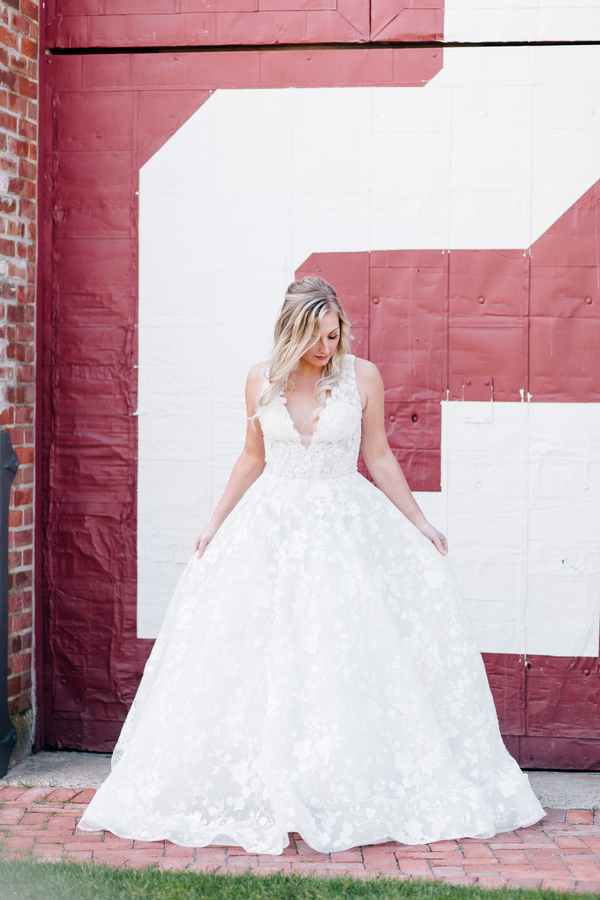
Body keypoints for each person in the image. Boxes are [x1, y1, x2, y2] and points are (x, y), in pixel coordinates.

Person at [78, 276, 544, 854]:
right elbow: (252, 457)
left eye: (336, 333)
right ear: (291, 332)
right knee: (265, 657)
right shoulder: (259, 380)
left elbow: (378, 455)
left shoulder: (362, 376)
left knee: (338, 654)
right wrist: (214, 522)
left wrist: (420, 523)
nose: (329, 348)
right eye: (318, 337)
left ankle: (338, 786)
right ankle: (274, 786)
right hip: (269, 530)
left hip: (344, 530)